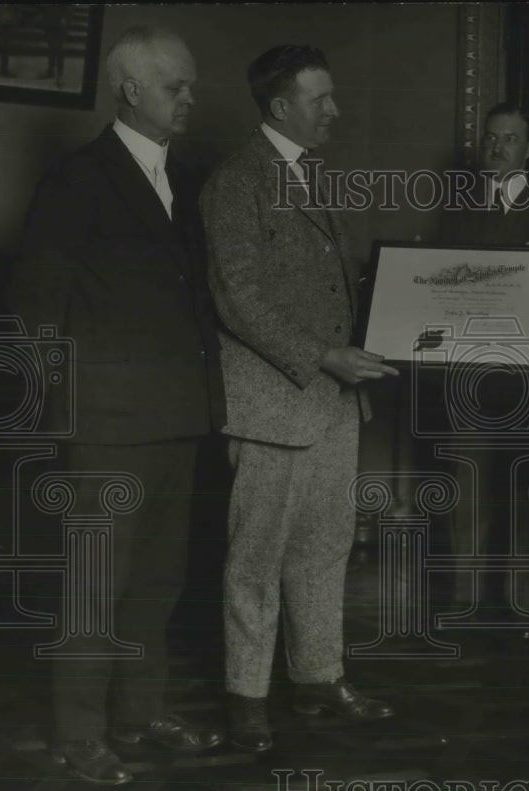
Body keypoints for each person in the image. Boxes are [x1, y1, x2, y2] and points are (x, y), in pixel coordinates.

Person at [9, 26, 226, 785]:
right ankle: (79, 735)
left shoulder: (184, 179)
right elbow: (36, 310)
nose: (190, 98)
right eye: (176, 87)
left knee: (157, 584)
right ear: (131, 90)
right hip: (106, 425)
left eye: (191, 85)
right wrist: (61, 416)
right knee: (94, 589)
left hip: (178, 419)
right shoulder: (76, 180)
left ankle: (139, 715)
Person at [201, 45, 398, 754]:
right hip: (274, 403)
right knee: (255, 558)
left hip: (335, 402)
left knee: (325, 547)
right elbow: (239, 298)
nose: (335, 110)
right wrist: (323, 356)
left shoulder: (317, 174)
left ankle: (319, 677)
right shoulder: (235, 182)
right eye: (321, 99)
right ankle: (246, 696)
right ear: (281, 106)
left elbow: (333, 285)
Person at [434, 103, 529, 624]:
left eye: (509, 139)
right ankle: (465, 599)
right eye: (490, 137)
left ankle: (522, 602)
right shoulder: (457, 206)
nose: (496, 147)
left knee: (527, 486)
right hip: (467, 369)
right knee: (468, 485)